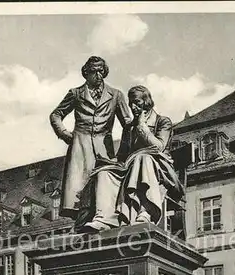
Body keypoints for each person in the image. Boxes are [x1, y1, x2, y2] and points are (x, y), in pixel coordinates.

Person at [81, 85, 184, 232]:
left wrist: (142, 127)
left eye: (137, 102)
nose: (133, 107)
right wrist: (106, 162)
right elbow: (122, 156)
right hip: (130, 168)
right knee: (104, 172)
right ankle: (104, 219)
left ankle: (145, 211)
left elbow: (159, 147)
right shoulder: (129, 127)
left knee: (143, 158)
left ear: (147, 101)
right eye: (130, 104)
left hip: (159, 170)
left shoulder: (163, 122)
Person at [49, 56, 131, 220]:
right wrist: (66, 135)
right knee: (79, 195)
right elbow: (56, 115)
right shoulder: (76, 94)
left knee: (104, 190)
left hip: (105, 149)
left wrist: (124, 151)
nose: (98, 75)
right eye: (94, 71)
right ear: (86, 73)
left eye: (101, 71)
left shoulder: (116, 95)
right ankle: (82, 223)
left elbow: (127, 124)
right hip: (80, 148)